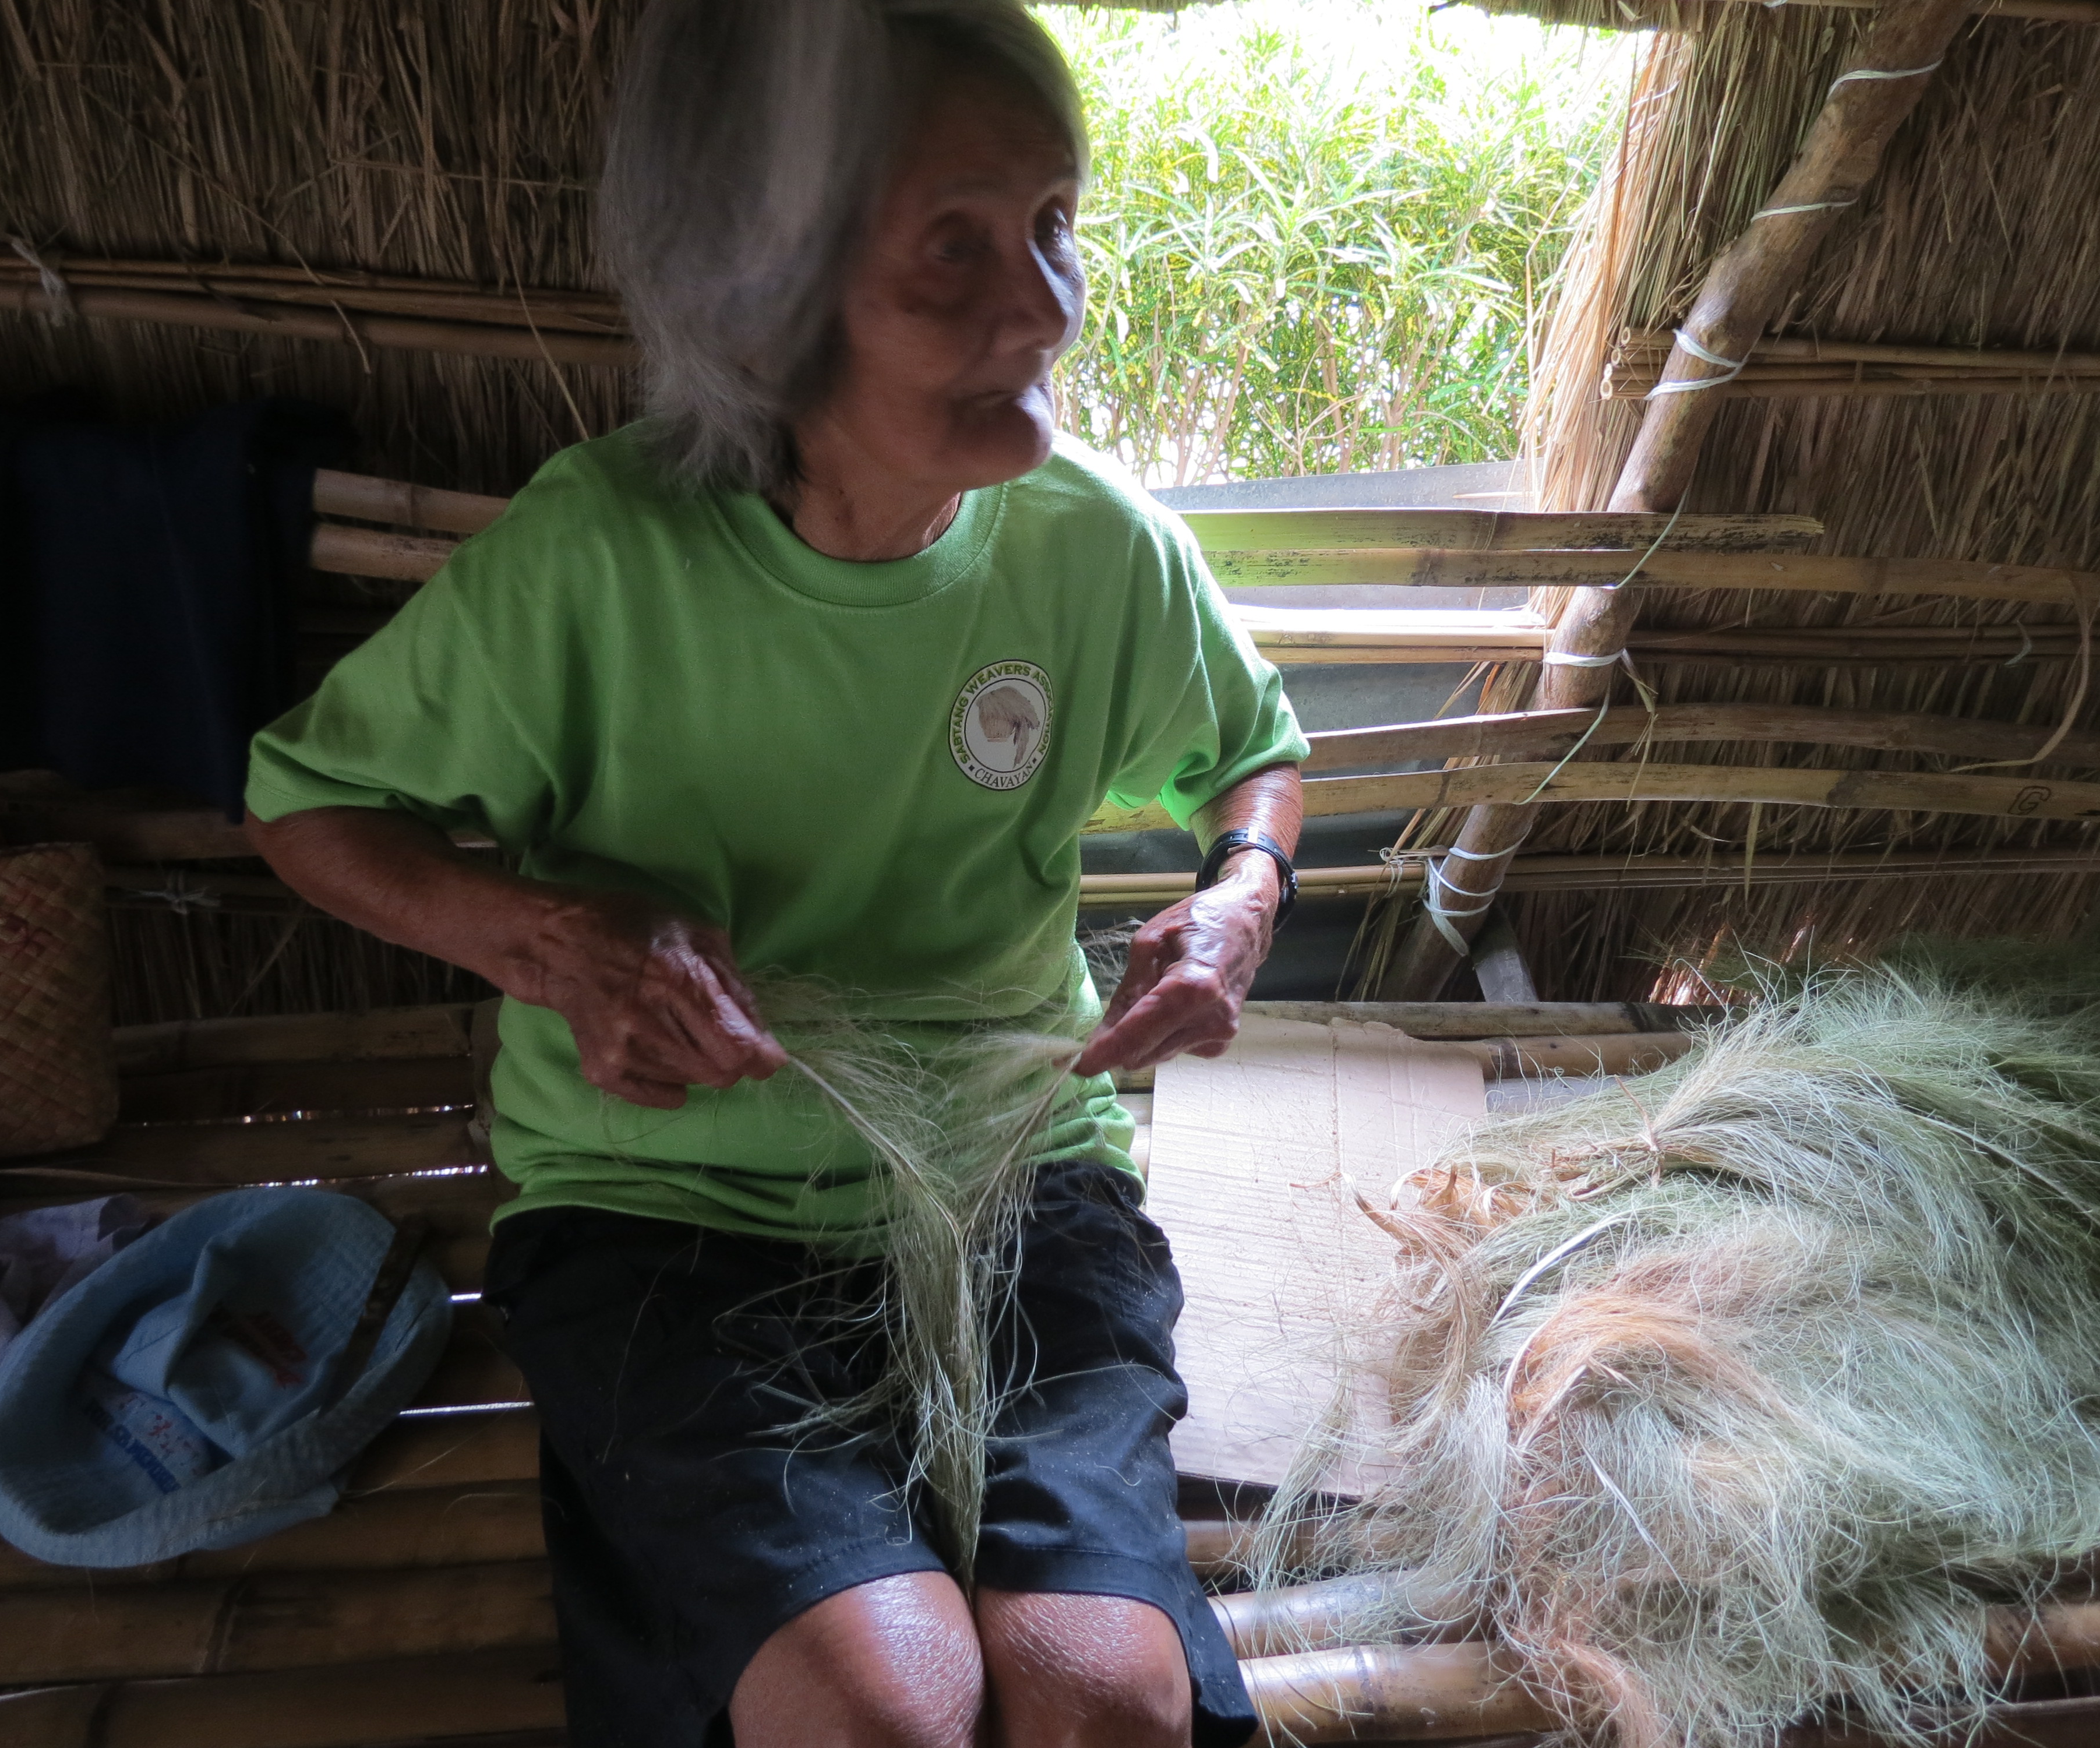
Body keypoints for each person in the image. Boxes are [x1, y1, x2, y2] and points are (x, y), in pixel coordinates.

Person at [241, 4, 1305, 1747]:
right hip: (667, 1212)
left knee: (1100, 1695)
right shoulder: (599, 559)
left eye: (1053, 221)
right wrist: (556, 943)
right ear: (768, 290)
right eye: (948, 250)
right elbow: (306, 809)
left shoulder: (1094, 550)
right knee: (885, 1706)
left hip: (1010, 1178)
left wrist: (1242, 895)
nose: (1037, 305)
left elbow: (1255, 752)